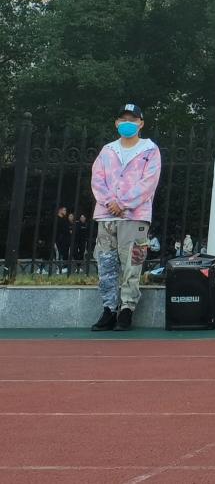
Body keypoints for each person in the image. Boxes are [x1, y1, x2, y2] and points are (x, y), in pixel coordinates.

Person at [89, 103, 162, 332]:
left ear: (141, 123)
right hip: (106, 215)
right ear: (116, 123)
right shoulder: (107, 150)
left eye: (132, 119)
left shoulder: (150, 150)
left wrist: (123, 203)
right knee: (106, 264)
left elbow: (148, 183)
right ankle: (109, 309)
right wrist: (110, 202)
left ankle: (127, 308)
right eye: (123, 119)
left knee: (132, 263)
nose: (127, 123)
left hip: (135, 216)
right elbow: (97, 179)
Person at [52, 206, 72, 273]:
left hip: (65, 240)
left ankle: (64, 267)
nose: (65, 212)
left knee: (65, 253)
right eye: (64, 210)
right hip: (59, 240)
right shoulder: (56, 219)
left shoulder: (64, 219)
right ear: (60, 210)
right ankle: (59, 268)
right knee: (59, 254)